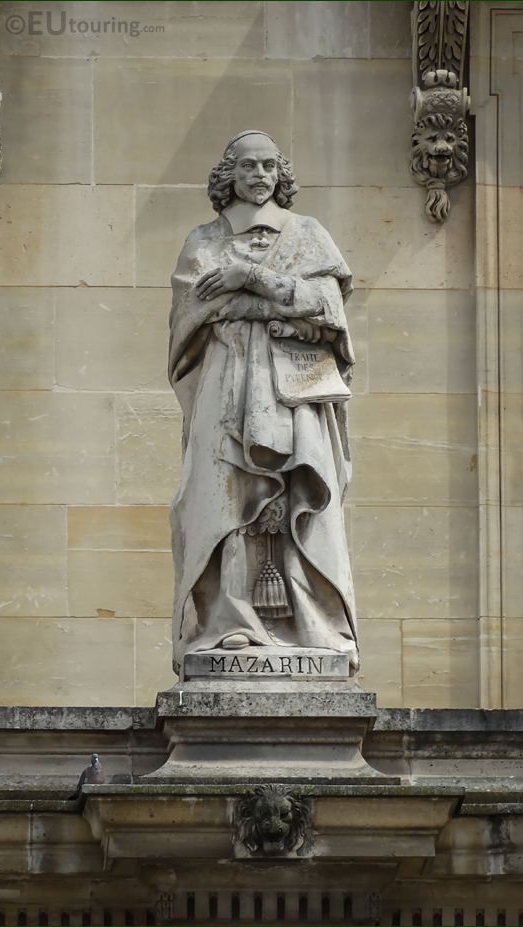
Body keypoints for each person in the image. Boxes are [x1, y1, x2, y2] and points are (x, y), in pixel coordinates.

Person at [169, 130, 358, 674]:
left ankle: (309, 622)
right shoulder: (203, 241)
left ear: (282, 174)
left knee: (301, 492)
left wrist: (249, 278)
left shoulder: (307, 236)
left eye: (270, 166)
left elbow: (326, 306)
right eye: (248, 165)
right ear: (229, 174)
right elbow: (195, 312)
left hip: (294, 390)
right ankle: (230, 623)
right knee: (223, 499)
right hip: (226, 387)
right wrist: (277, 302)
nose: (260, 175)